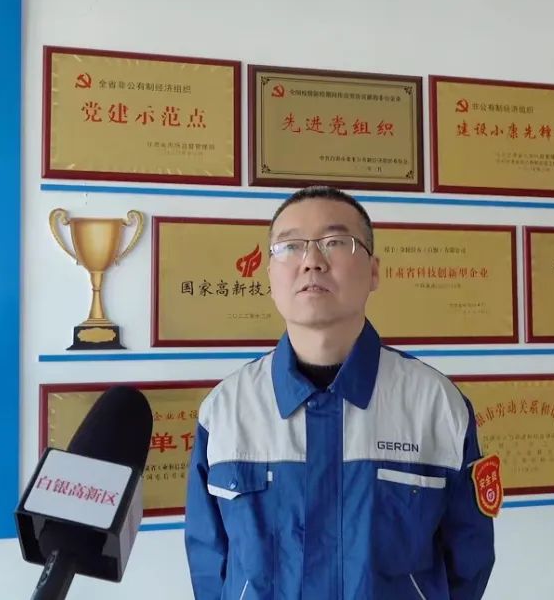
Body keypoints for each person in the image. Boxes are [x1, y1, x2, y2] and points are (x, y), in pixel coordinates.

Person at [184, 185, 497, 600]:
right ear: (269, 275)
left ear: (374, 271)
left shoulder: (435, 404)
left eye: (335, 242)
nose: (311, 260)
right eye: (290, 246)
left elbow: (468, 561)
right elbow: (210, 562)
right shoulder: (226, 409)